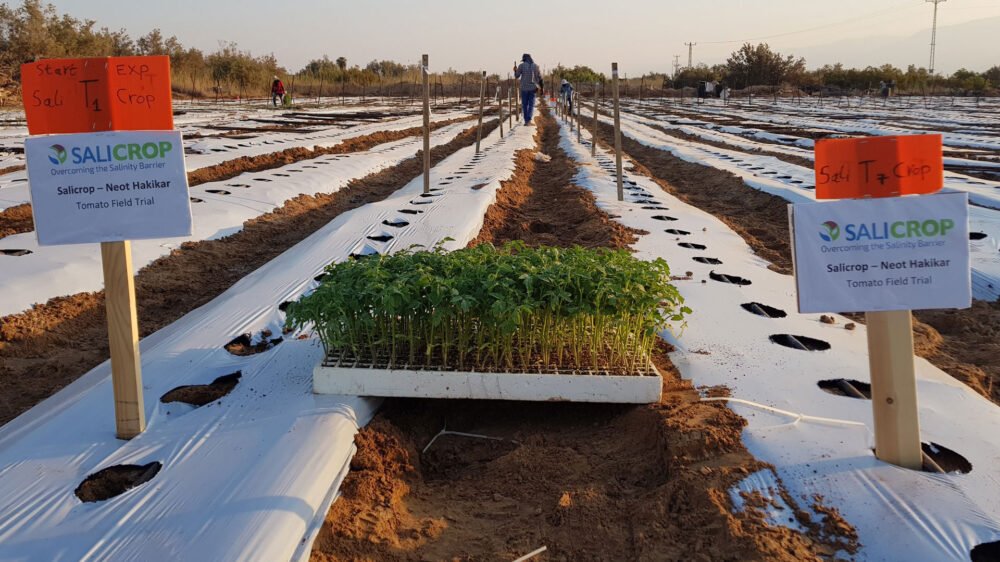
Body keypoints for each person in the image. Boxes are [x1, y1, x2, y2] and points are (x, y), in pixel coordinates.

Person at [514, 54, 543, 125]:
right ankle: (529, 120)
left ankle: (526, 120)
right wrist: (542, 88)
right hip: (533, 88)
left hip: (524, 88)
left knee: (524, 105)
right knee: (531, 105)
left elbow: (517, 76)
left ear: (524, 59)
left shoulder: (521, 66)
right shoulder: (536, 66)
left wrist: (515, 70)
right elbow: (540, 78)